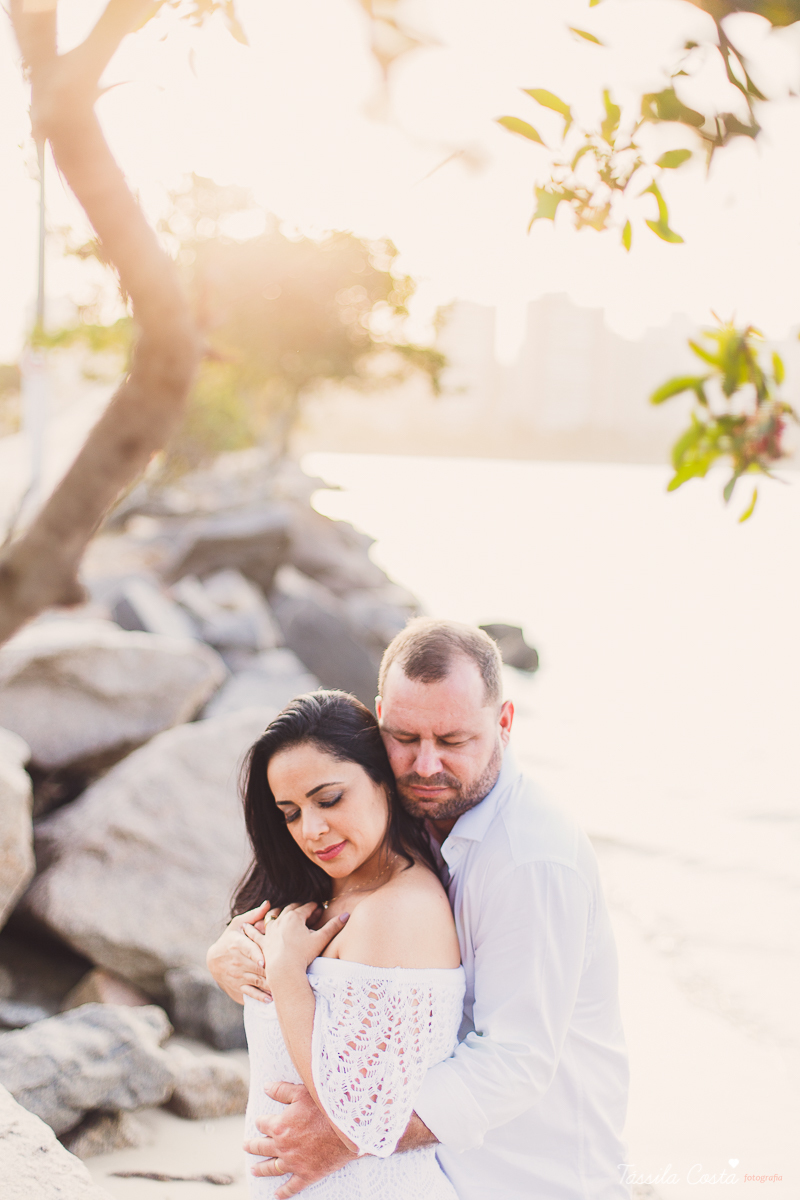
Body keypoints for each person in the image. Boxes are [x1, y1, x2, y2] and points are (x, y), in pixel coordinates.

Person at [208, 619, 630, 1200]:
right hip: (436, 1170)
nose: (425, 765)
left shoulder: (533, 862)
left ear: (505, 723)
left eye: (453, 740)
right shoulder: (408, 816)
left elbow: (515, 1061)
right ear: (379, 718)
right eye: (404, 737)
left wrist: (347, 1133)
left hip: (531, 1175)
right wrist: (229, 948)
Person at [229, 689, 466, 1198]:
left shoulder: (398, 911)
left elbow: (360, 1117)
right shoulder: (327, 887)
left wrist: (286, 975)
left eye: (329, 799)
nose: (311, 830)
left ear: (383, 780)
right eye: (290, 812)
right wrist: (226, 961)